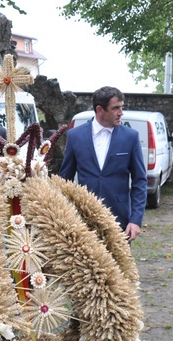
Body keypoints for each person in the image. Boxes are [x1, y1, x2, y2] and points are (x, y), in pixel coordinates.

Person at [59, 86, 147, 242]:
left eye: (122, 107)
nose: (121, 112)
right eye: (116, 108)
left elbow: (140, 181)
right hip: (83, 221)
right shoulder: (75, 136)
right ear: (100, 110)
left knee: (119, 267)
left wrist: (135, 220)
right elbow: (64, 180)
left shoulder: (131, 137)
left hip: (119, 219)